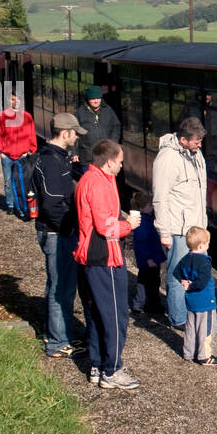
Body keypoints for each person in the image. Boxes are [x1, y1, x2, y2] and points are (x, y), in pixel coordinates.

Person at [74, 140, 141, 389]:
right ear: (110, 161)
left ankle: (97, 364)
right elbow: (105, 227)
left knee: (96, 314)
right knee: (115, 315)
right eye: (121, 161)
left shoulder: (90, 179)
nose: (122, 166)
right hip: (104, 255)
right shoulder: (99, 184)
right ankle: (112, 370)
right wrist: (128, 226)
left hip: (89, 255)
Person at [33, 112, 88, 359]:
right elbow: (53, 204)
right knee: (61, 288)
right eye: (74, 132)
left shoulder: (57, 158)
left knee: (59, 285)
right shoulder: (52, 162)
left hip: (57, 231)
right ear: (65, 133)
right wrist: (69, 229)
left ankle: (57, 334)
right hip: (57, 233)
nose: (76, 137)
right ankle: (58, 341)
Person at [152, 116, 208, 332]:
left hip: (196, 226)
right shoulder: (167, 159)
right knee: (178, 273)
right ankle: (177, 318)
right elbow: (160, 197)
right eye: (196, 141)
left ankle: (188, 310)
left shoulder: (196, 154)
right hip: (178, 229)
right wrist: (164, 232)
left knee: (192, 272)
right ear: (183, 140)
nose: (200, 145)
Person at [172, 226, 217, 366]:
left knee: (191, 328)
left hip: (191, 301)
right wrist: (191, 285)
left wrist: (184, 281)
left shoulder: (186, 258)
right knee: (206, 330)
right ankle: (204, 356)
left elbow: (176, 272)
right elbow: (202, 282)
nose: (208, 245)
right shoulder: (205, 262)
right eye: (207, 243)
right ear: (201, 245)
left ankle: (188, 352)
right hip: (205, 301)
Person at [0, 93, 36, 214]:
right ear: (8, 101)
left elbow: (32, 134)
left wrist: (30, 150)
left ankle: (22, 205)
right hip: (7, 155)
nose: (15, 102)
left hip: (22, 155)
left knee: (22, 181)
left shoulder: (27, 117)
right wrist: (0, 152)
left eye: (17, 99)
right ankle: (10, 205)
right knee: (8, 181)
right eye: (12, 99)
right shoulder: (1, 117)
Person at [129, 191, 166, 316]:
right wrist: (149, 258)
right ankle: (150, 305)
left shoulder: (145, 220)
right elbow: (142, 242)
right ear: (141, 208)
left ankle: (141, 303)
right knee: (151, 282)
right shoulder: (144, 223)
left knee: (145, 280)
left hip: (149, 258)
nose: (152, 207)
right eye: (150, 205)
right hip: (150, 258)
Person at [74, 85, 121, 167]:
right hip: (88, 158)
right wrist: (74, 152)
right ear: (88, 99)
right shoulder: (79, 113)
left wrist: (113, 143)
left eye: (98, 98)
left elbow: (116, 126)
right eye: (93, 99)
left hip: (106, 156)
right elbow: (74, 133)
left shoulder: (108, 110)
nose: (96, 101)